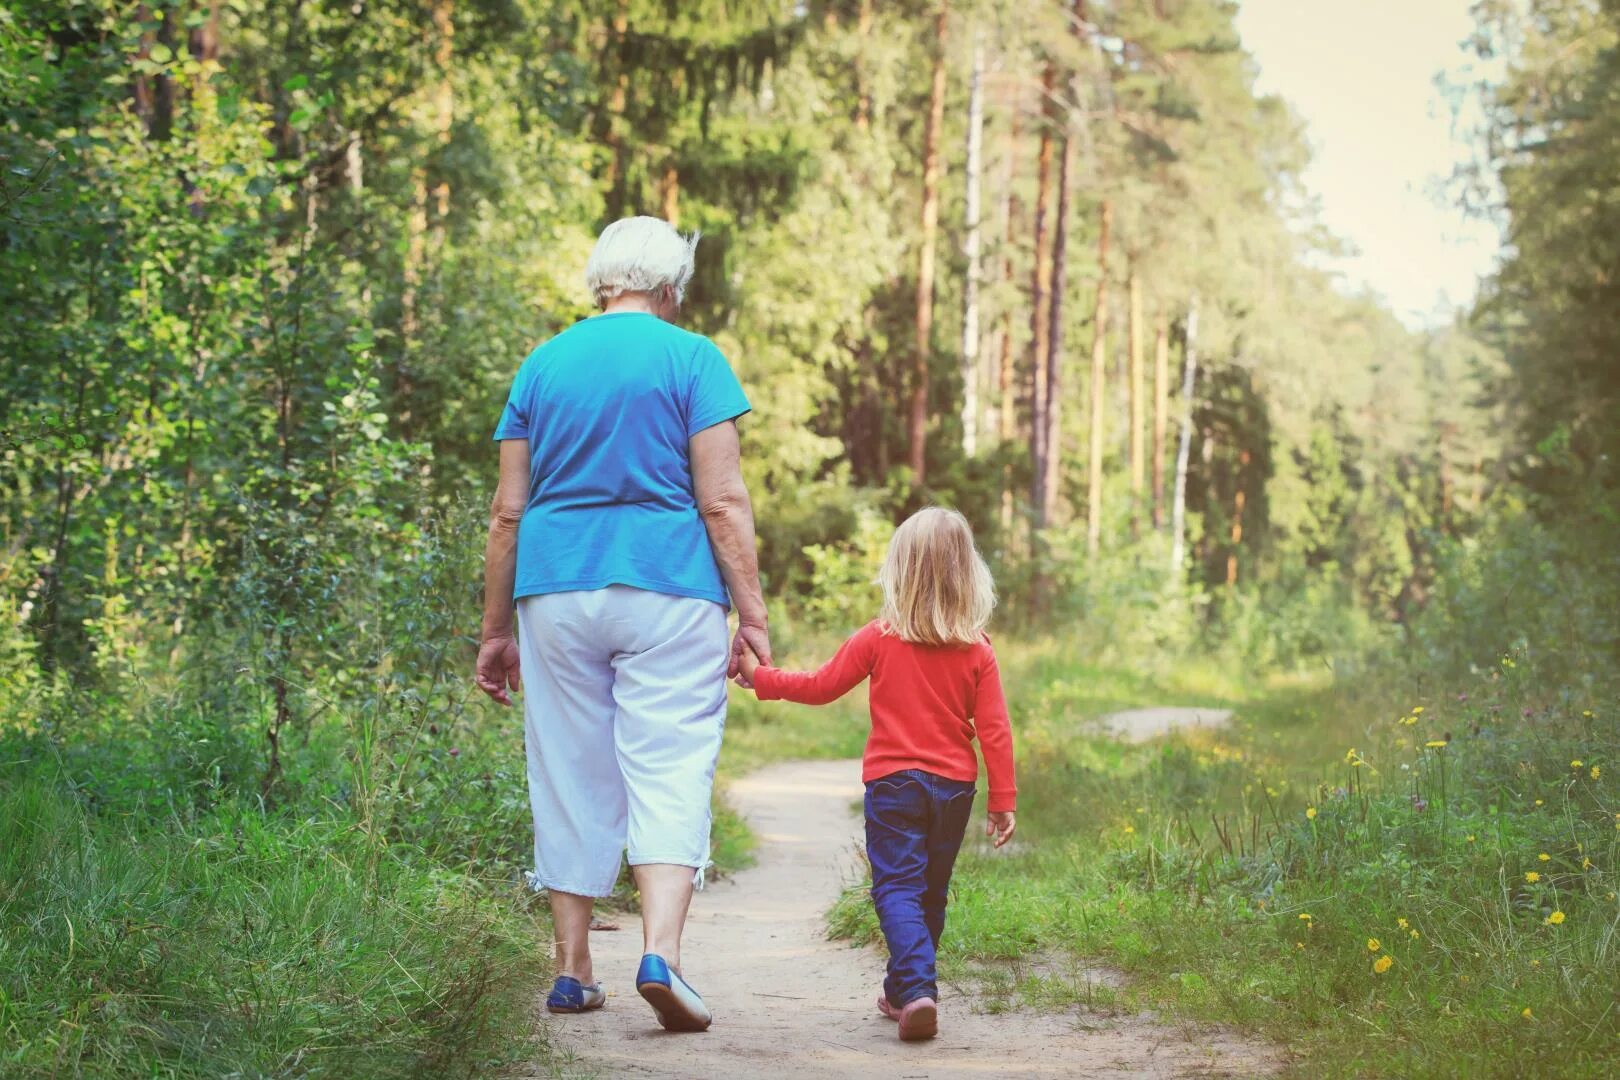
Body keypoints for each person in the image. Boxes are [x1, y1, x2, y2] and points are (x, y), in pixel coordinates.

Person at [475, 216, 771, 1032]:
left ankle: (572, 970)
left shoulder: (542, 364)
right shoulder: (694, 359)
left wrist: (495, 631)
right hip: (670, 586)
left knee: (568, 768)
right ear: (671, 284)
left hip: (556, 588)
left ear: (601, 280)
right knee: (669, 761)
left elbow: (508, 512)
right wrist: (752, 616)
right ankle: (661, 957)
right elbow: (721, 499)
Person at [738, 507, 1017, 1042]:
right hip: (955, 788)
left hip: (893, 784)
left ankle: (915, 991)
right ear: (968, 572)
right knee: (929, 893)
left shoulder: (880, 636)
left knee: (896, 887)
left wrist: (760, 676)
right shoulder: (978, 648)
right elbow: (996, 729)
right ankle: (903, 991)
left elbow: (820, 686)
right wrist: (1003, 799)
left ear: (900, 571)